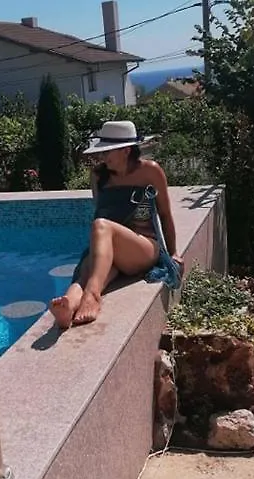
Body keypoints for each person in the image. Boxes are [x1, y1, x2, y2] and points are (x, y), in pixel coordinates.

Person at [49, 120, 183, 329]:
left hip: (143, 247)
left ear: (126, 151)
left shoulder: (150, 171)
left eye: (107, 151)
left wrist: (173, 252)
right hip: (111, 249)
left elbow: (165, 214)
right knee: (85, 274)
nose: (102, 156)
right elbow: (101, 208)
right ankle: (68, 306)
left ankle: (92, 297)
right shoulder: (98, 175)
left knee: (101, 226)